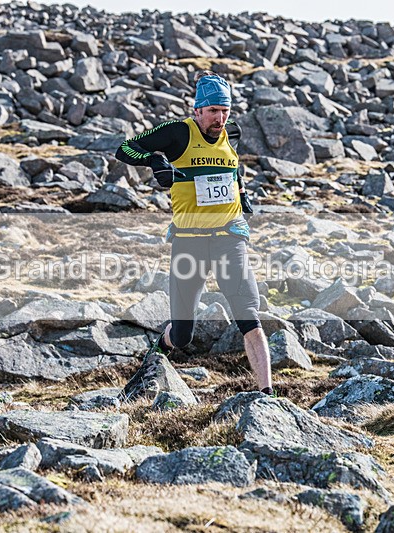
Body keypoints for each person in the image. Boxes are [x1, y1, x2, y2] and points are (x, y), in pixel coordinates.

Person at [115, 71, 273, 396]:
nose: (220, 119)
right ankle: (157, 354)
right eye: (213, 111)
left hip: (229, 238)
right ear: (197, 110)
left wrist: (242, 194)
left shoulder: (233, 133)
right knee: (183, 334)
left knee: (249, 316)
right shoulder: (177, 133)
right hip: (189, 242)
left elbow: (233, 167)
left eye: (225, 111)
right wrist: (155, 161)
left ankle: (268, 395)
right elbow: (125, 148)